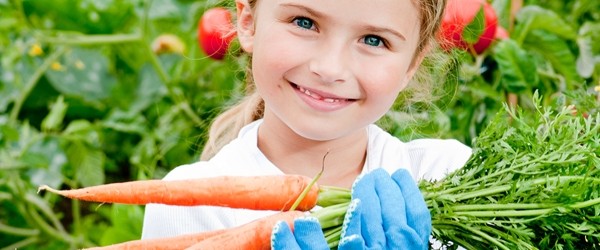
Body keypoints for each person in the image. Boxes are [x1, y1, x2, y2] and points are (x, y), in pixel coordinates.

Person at [142, 0, 472, 248]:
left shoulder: (451, 177)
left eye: (373, 40)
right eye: (304, 22)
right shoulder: (189, 205)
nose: (330, 68)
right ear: (248, 22)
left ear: (412, 64)